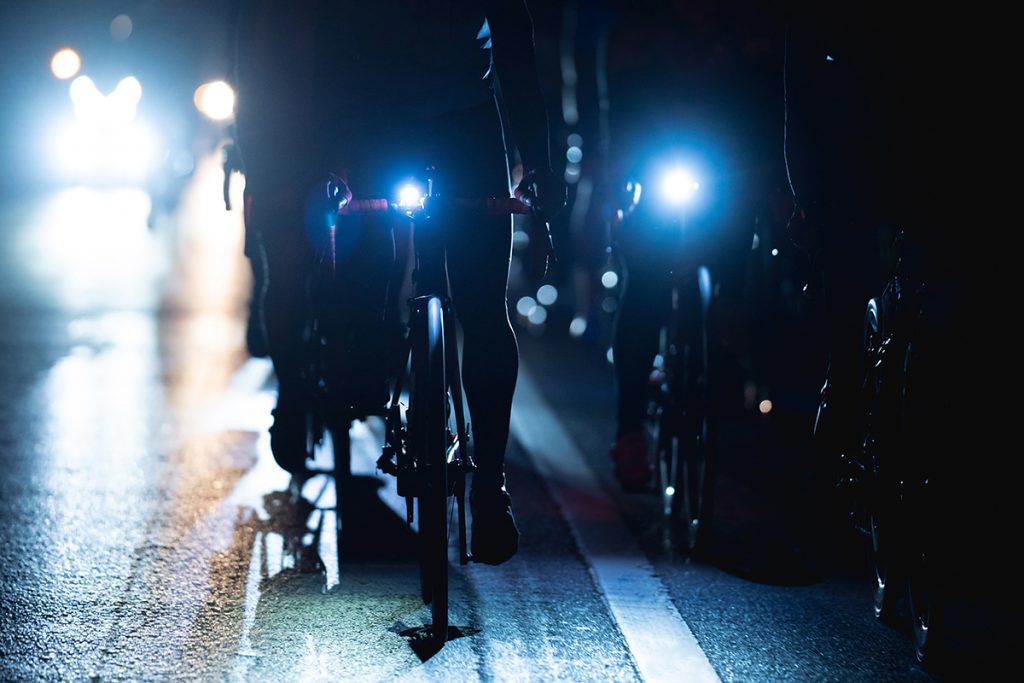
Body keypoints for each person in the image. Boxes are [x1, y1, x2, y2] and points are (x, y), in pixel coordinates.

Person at [233, 0, 564, 565]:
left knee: (483, 308)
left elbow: (514, 43)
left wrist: (537, 166)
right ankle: (364, 365)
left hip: (461, 125)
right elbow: (333, 46)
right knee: (367, 279)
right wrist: (331, 164)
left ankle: (490, 488)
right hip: (378, 117)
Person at [604, 0, 782, 489]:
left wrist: (768, 170)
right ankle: (630, 430)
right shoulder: (644, 24)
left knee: (734, 277)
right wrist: (619, 174)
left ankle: (729, 374)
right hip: (656, 162)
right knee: (644, 290)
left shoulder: (744, 24)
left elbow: (766, 92)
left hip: (728, 164)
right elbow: (620, 98)